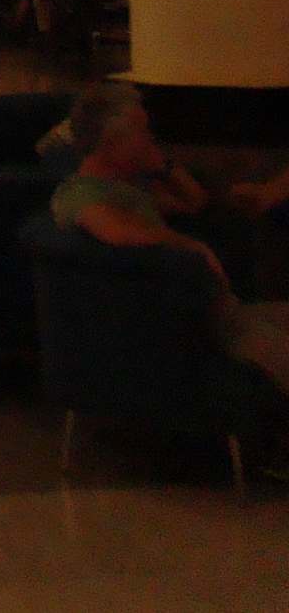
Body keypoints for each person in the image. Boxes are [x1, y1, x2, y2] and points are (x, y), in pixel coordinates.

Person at [52, 85, 289, 398]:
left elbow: (195, 201)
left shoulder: (128, 187)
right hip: (195, 328)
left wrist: (163, 165)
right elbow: (115, 231)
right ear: (112, 143)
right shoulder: (82, 193)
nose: (152, 138)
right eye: (143, 131)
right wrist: (192, 247)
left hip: (224, 311)